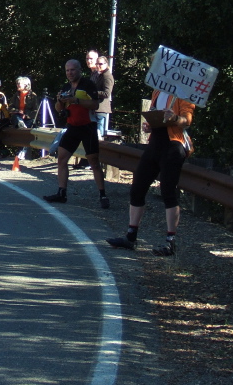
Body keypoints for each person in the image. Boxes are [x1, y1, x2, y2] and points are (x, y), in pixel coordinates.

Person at [107, 89, 195, 256]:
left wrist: (175, 118)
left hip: (174, 145)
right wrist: (150, 126)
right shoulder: (158, 91)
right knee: (137, 189)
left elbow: (187, 120)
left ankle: (171, 242)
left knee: (168, 192)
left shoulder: (184, 91)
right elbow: (156, 116)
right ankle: (130, 237)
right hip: (155, 144)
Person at [43, 59, 110, 208]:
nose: (70, 73)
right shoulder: (66, 87)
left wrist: (76, 100)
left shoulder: (88, 84)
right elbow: (59, 109)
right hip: (72, 126)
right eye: (67, 70)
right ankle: (62, 193)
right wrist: (60, 101)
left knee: (93, 162)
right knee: (61, 159)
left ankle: (103, 194)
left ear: (80, 70)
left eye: (73, 70)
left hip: (88, 127)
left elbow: (95, 104)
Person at [92, 55, 114, 139]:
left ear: (106, 64)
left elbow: (107, 93)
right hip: (95, 108)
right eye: (97, 63)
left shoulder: (107, 76)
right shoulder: (99, 74)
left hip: (101, 110)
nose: (98, 66)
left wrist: (93, 92)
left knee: (98, 136)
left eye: (100, 64)